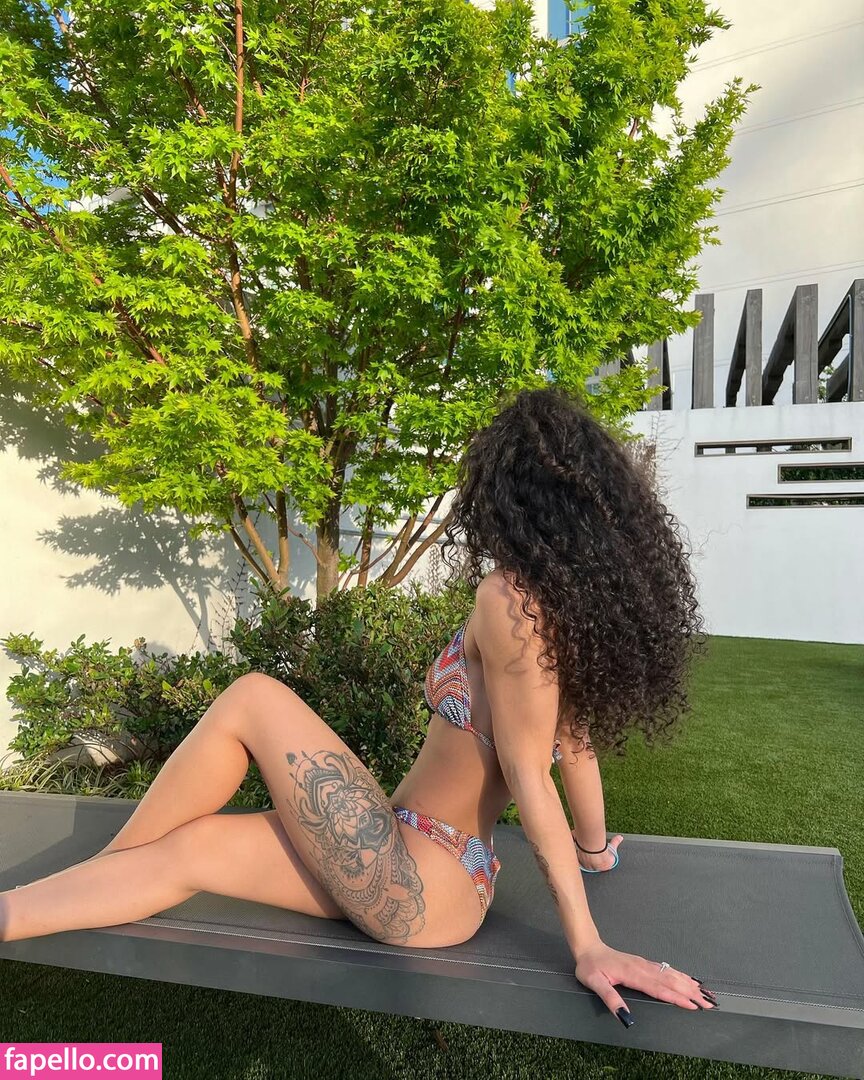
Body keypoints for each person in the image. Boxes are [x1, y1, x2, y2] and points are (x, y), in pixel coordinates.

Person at [0, 385, 717, 1027]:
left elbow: (532, 774)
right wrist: (594, 851)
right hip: (418, 862)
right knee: (192, 850)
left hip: (421, 876)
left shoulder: (511, 601)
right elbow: (577, 750)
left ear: (508, 496)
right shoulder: (570, 615)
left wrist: (588, 946)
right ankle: (44, 901)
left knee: (252, 696)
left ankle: (90, 873)